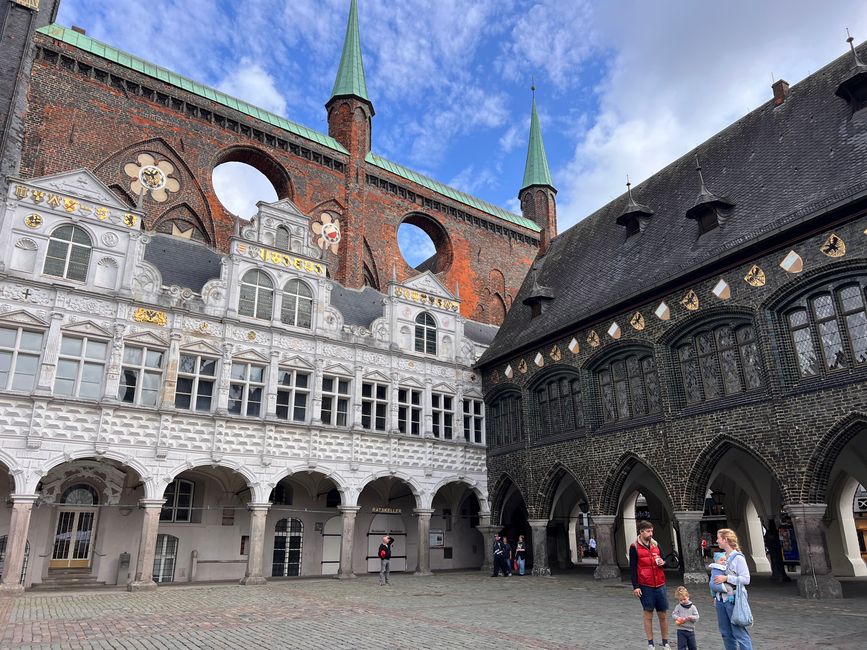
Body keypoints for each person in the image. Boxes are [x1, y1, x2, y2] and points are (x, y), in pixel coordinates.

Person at [629, 520, 671, 650]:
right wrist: (636, 586)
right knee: (648, 614)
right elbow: (632, 568)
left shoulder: (656, 545)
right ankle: (650, 643)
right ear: (641, 532)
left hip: (660, 583)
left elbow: (666, 561)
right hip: (645, 585)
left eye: (651, 531)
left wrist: (662, 563)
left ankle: (665, 642)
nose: (651, 533)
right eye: (648, 531)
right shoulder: (634, 547)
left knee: (663, 614)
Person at [713, 528, 752, 650]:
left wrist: (727, 578)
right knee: (726, 633)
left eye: (719, 538)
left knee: (739, 632)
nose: (717, 541)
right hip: (721, 599)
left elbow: (746, 579)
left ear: (725, 540)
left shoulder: (738, 558)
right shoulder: (722, 557)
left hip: (734, 599)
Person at [671, 586, 699, 650]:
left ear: (688, 597)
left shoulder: (693, 607)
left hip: (690, 630)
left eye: (684, 599)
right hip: (681, 630)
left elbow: (697, 617)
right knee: (681, 647)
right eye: (680, 600)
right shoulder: (678, 607)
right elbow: (673, 614)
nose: (683, 601)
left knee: (693, 647)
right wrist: (678, 618)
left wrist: (691, 618)